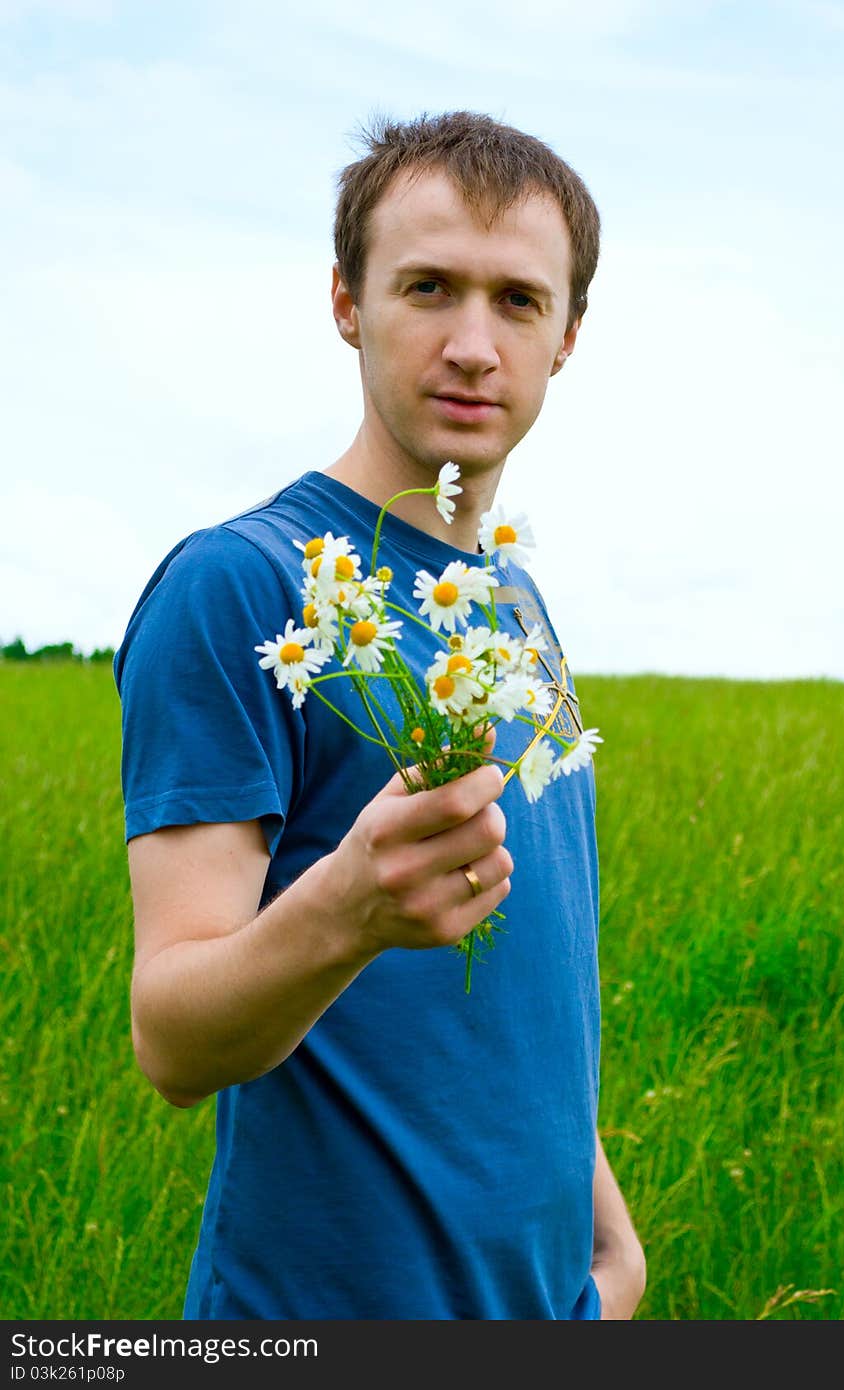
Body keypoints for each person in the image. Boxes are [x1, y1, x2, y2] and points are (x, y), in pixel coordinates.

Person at [113, 110, 646, 1321]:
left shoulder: (515, 606)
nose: (472, 344)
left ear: (567, 336)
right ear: (347, 302)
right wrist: (345, 911)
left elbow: (529, 991)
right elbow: (173, 1038)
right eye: (426, 287)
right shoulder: (243, 583)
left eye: (517, 300)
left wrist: (611, 1261)